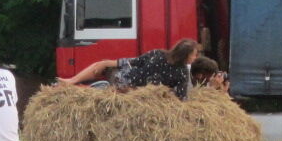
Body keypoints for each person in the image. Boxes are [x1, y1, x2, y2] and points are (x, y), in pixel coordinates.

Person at [59, 38, 201, 100]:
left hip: (130, 89)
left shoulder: (162, 56)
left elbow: (134, 62)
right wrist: (108, 63)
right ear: (185, 54)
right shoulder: (179, 70)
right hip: (126, 82)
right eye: (194, 55)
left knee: (103, 69)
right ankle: (72, 81)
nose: (195, 58)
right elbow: (181, 97)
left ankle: (74, 84)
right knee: (101, 64)